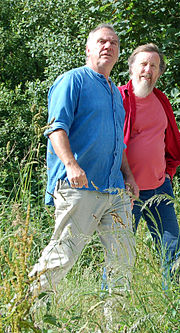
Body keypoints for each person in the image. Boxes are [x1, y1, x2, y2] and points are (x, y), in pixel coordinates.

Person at [29, 24, 139, 294]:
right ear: (88, 49)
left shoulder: (116, 93)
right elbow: (56, 129)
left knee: (123, 260)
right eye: (101, 41)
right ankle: (19, 315)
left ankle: (116, 327)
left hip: (115, 189)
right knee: (62, 256)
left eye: (113, 43)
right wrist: (71, 165)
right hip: (79, 185)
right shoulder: (73, 80)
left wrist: (128, 176)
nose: (108, 46)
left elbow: (117, 142)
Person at [118, 44, 180, 289]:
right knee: (120, 254)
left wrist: (167, 174)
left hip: (160, 188)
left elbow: (170, 142)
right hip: (126, 192)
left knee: (172, 247)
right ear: (132, 68)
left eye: (154, 66)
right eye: (143, 64)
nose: (148, 70)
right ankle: (113, 313)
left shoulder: (161, 99)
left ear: (158, 73)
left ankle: (175, 307)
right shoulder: (119, 98)